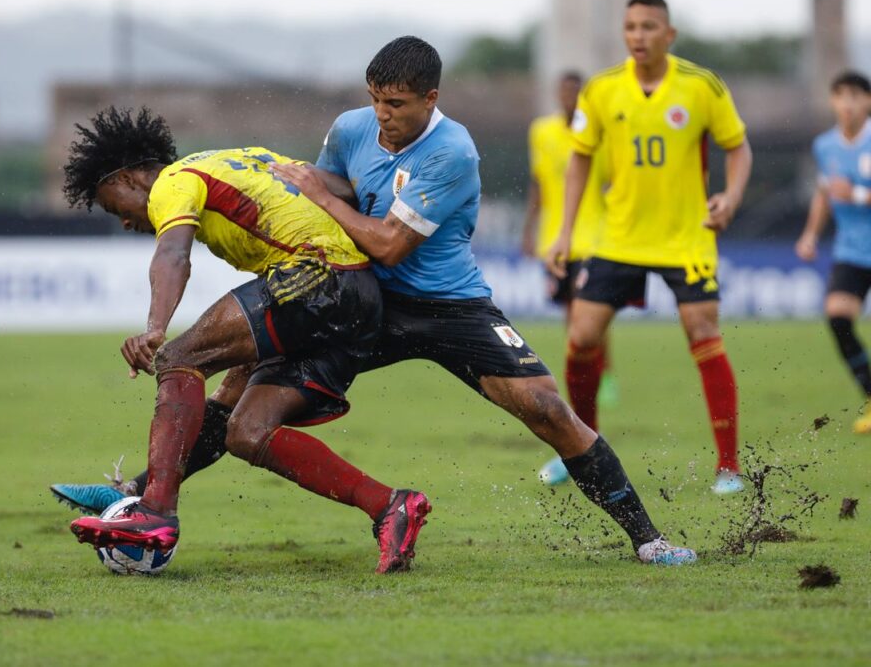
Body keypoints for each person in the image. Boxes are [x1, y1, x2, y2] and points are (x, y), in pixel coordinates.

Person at [58, 36, 697, 566]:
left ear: (431, 100)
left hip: (445, 305)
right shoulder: (352, 129)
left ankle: (648, 539)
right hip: (356, 301)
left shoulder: (453, 152)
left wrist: (322, 200)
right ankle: (138, 498)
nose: (383, 114)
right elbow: (319, 190)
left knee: (548, 410)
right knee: (238, 413)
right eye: (376, 100)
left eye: (396, 103)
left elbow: (388, 242)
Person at [61, 106, 431, 574]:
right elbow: (341, 188)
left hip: (317, 277)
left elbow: (174, 254)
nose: (126, 222)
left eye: (116, 206)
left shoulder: (174, 181)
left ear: (131, 176)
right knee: (243, 428)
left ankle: (154, 512)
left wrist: (155, 328)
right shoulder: (241, 157)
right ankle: (391, 506)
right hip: (357, 299)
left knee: (179, 358)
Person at [545, 0, 753, 496]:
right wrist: (567, 231)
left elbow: (737, 148)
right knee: (582, 335)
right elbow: (579, 160)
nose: (638, 36)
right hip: (620, 237)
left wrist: (731, 197)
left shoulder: (701, 87)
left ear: (669, 34)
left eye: (649, 27)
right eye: (631, 27)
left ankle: (728, 467)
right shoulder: (601, 91)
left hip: (687, 240)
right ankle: (580, 449)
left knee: (702, 330)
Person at [522, 71, 614, 487]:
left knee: (584, 321)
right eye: (564, 91)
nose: (569, 98)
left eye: (576, 92)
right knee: (572, 323)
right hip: (555, 241)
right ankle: (580, 436)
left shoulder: (601, 131)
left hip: (594, 238)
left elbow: (614, 183)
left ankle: (598, 388)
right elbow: (540, 183)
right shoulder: (541, 132)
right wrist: (530, 228)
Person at [795, 71, 871, 433]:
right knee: (839, 317)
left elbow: (843, 191)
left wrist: (856, 194)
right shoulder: (825, 146)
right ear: (832, 102)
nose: (848, 104)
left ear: (867, 102)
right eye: (841, 96)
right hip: (852, 250)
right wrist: (810, 234)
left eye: (855, 96)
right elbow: (825, 192)